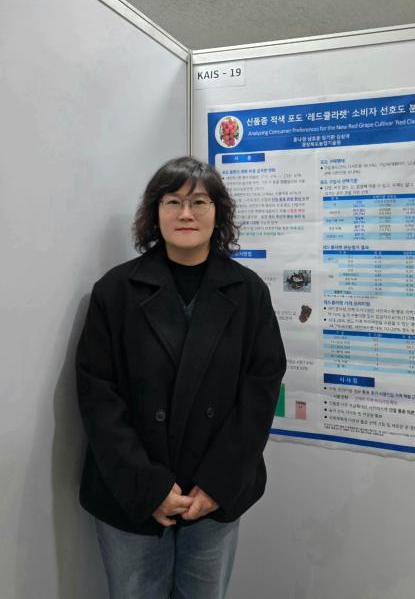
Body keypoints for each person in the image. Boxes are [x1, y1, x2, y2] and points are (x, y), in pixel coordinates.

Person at [76, 156, 286, 599]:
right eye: (172, 201)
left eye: (199, 202)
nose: (185, 213)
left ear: (218, 212)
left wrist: (216, 484)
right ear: (155, 212)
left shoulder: (249, 292)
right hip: (130, 494)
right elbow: (98, 397)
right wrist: (148, 488)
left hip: (213, 494)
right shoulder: (115, 290)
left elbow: (261, 391)